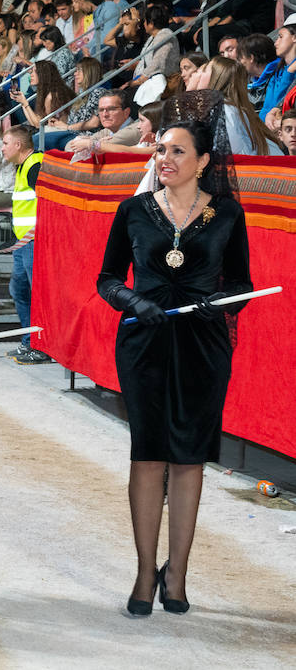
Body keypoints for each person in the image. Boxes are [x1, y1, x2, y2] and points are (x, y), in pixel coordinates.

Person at [96, 91, 252, 617]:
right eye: (161, 149)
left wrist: (218, 305)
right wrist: (133, 301)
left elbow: (242, 285)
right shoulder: (133, 210)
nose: (165, 159)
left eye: (178, 151)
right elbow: (107, 279)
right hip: (143, 344)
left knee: (188, 459)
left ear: (205, 161)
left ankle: (177, 574)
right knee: (147, 453)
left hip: (204, 348)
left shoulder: (229, 214)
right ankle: (145, 574)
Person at [0, 126, 50, 364]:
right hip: (23, 243)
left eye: (5, 143)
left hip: (34, 241)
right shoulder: (23, 167)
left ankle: (42, 346)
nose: (2, 148)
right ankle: (29, 342)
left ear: (18, 145)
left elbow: (48, 204)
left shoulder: (35, 165)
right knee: (19, 290)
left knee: (35, 293)